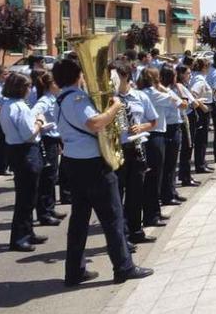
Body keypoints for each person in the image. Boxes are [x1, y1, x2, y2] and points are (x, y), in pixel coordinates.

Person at [52, 59, 153, 286]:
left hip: (74, 162)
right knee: (113, 218)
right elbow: (95, 123)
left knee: (79, 220)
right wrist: (115, 106)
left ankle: (74, 271)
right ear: (78, 76)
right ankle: (123, 267)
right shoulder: (77, 99)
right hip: (93, 165)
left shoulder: (60, 99)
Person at [0, 73, 47, 251]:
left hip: (15, 150)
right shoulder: (20, 107)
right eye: (28, 87)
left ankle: (28, 232)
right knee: (26, 198)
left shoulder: (7, 105)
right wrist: (40, 122)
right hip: (25, 152)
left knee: (28, 196)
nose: (30, 90)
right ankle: (19, 238)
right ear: (21, 88)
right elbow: (29, 134)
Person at [111, 61, 157, 245]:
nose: (111, 81)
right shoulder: (110, 99)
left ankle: (137, 231)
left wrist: (141, 127)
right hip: (117, 149)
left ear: (126, 77)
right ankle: (122, 236)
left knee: (136, 193)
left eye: (115, 77)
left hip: (137, 148)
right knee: (117, 194)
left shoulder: (140, 96)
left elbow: (153, 121)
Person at [137, 67, 183, 226]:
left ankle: (154, 211)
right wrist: (163, 87)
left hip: (151, 135)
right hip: (155, 135)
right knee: (154, 177)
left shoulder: (142, 91)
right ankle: (151, 215)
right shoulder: (153, 93)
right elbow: (178, 101)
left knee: (154, 177)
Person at [32, 72, 67, 226]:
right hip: (47, 139)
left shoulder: (54, 98)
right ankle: (44, 213)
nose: (58, 85)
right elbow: (34, 114)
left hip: (54, 138)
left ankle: (50, 208)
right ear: (49, 85)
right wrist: (42, 125)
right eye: (55, 83)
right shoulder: (44, 101)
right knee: (47, 177)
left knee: (52, 176)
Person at [158, 66, 188, 208]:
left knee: (171, 164)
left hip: (173, 126)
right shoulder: (167, 92)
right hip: (169, 128)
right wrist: (178, 88)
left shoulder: (168, 90)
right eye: (175, 75)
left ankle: (172, 191)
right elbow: (184, 104)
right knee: (169, 165)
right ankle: (167, 195)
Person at [174, 64, 201, 187]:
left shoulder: (182, 86)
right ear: (181, 74)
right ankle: (186, 177)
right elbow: (193, 103)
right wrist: (198, 101)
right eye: (188, 73)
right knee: (188, 147)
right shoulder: (180, 87)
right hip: (187, 117)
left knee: (187, 147)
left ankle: (185, 174)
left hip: (186, 116)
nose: (190, 75)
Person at [189, 59, 214, 173]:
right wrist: (202, 106)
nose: (208, 70)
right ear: (204, 68)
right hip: (201, 110)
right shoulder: (199, 80)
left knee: (202, 138)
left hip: (202, 108)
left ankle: (202, 162)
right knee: (201, 139)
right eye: (208, 67)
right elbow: (193, 95)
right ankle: (200, 165)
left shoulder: (197, 77)